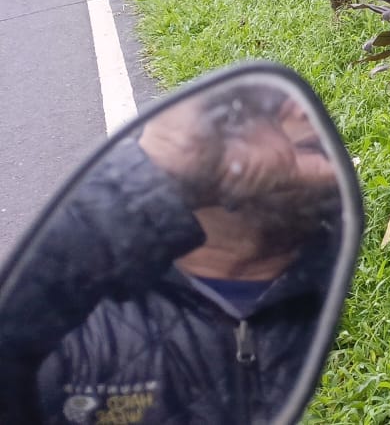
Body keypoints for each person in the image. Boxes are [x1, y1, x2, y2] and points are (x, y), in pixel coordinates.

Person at [0, 79, 342, 423]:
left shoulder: (329, 278)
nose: (303, 110)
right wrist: (151, 173)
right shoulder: (85, 329)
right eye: (254, 115)